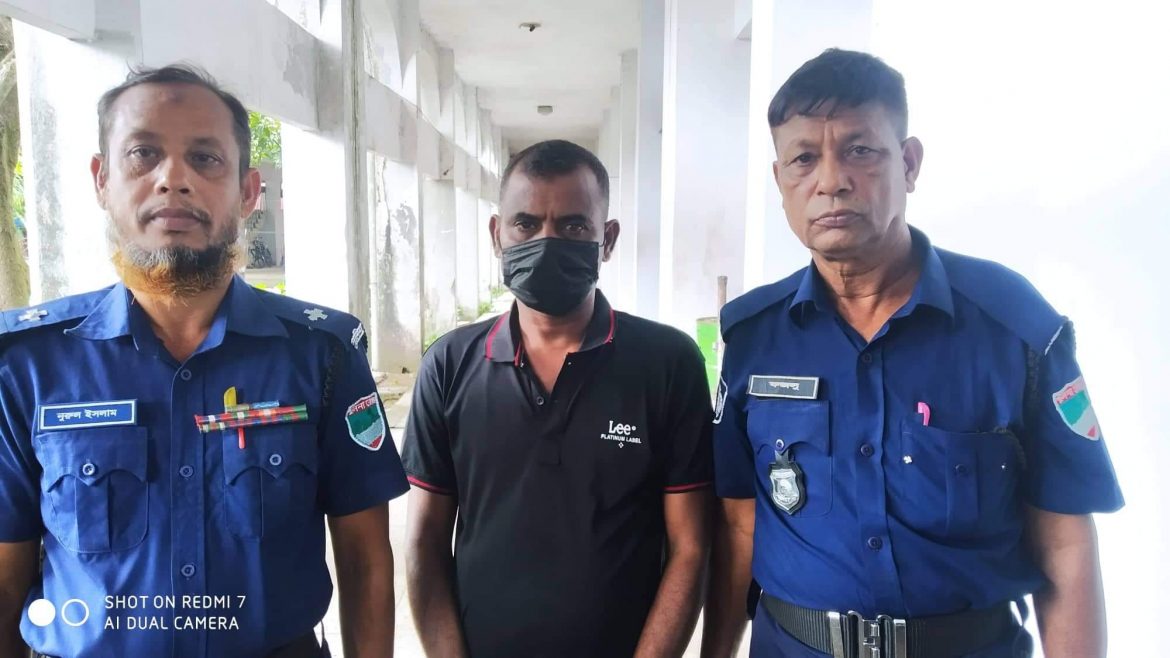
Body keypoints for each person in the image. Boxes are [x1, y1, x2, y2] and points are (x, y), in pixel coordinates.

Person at [702, 49, 1122, 658]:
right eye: (803, 159)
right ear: (780, 181)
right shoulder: (752, 338)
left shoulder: (1012, 327)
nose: (831, 180)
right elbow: (740, 527)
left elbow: (1064, 541)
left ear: (909, 162)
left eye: (859, 150)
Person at [0, 65, 408, 658]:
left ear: (248, 190)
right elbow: (5, 577)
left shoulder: (322, 354)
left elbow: (366, 559)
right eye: (143, 154)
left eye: (205, 158)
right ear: (102, 180)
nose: (173, 179)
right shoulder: (27, 365)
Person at [403, 139, 713, 658]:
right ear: (497, 235)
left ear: (607, 239)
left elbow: (691, 547)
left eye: (572, 226)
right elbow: (424, 542)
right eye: (525, 225)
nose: (546, 243)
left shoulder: (667, 364)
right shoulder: (449, 366)